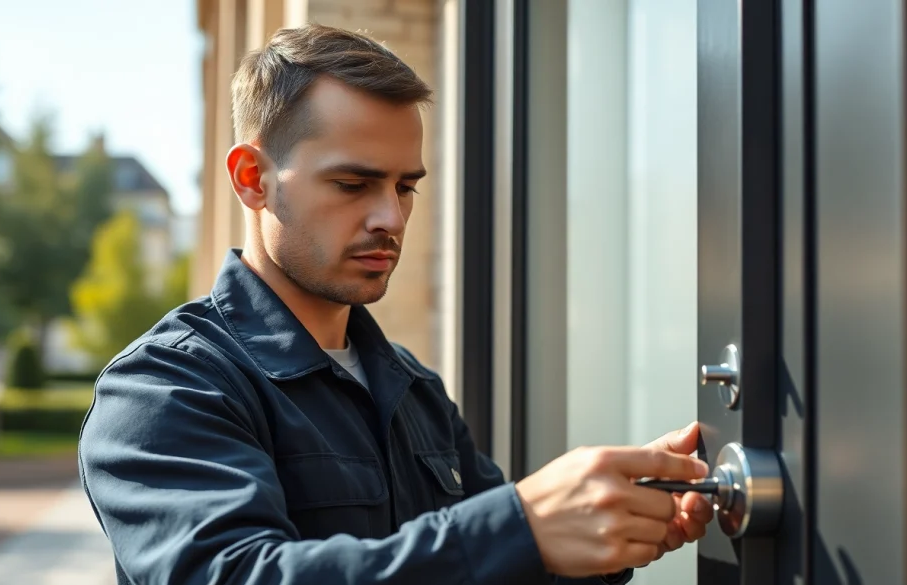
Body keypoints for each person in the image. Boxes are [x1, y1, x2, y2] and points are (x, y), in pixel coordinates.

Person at [77, 24, 714, 585]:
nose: (391, 218)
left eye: (405, 187)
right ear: (252, 179)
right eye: (353, 183)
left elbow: (500, 566)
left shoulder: (412, 387)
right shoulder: (164, 389)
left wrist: (609, 526)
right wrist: (520, 527)